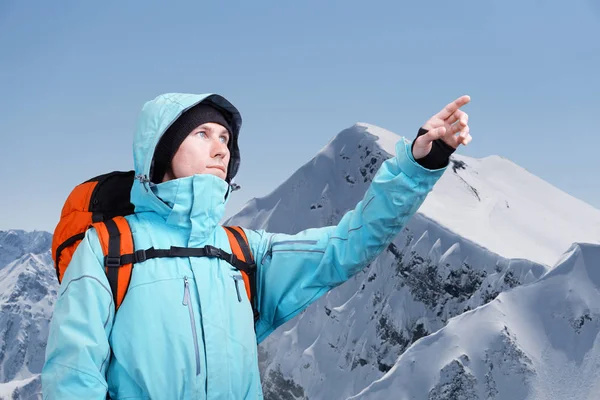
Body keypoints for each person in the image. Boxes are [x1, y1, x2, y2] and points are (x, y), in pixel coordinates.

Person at [42, 92, 471, 399]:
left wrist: (418, 166)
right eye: (203, 134)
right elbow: (72, 375)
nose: (220, 148)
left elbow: (349, 244)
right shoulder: (107, 248)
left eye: (225, 139)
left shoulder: (243, 252)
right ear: (162, 150)